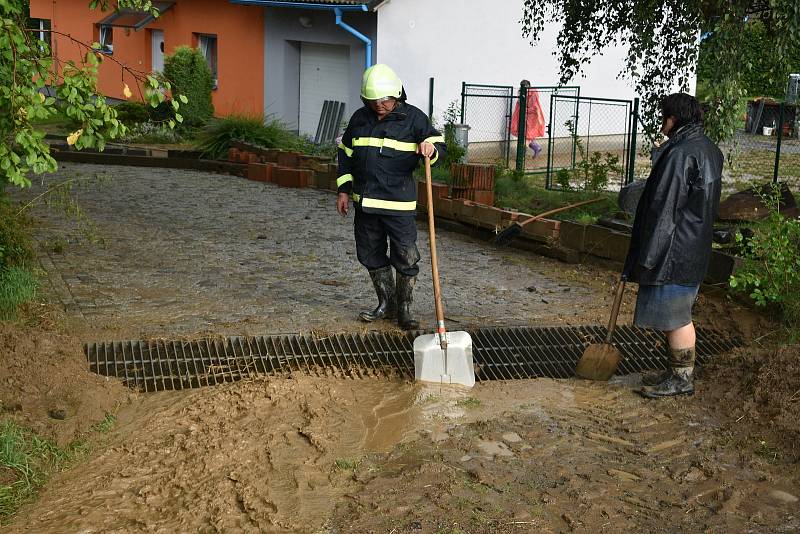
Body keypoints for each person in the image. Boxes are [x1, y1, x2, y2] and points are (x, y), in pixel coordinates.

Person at [622, 93, 723, 398]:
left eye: (664, 116)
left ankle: (682, 379)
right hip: (694, 243)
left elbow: (664, 207)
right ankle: (677, 372)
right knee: (677, 314)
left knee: (676, 317)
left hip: (675, 249)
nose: (662, 122)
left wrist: (646, 255)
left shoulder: (680, 153)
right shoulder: (707, 148)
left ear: (673, 119)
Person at [336, 64, 446, 331]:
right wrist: (343, 189)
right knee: (370, 254)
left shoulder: (414, 119)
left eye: (384, 100)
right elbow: (346, 154)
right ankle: (386, 304)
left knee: (406, 256)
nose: (379, 106)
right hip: (366, 204)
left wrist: (430, 148)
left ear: (396, 95)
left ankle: (405, 309)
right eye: (373, 100)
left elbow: (439, 145)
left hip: (399, 205)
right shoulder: (360, 119)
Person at [510, 79, 546, 158]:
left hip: (531, 117)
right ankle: (536, 148)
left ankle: (521, 156)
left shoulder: (533, 93)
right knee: (526, 136)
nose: (524, 87)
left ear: (529, 85)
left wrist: (524, 106)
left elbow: (532, 106)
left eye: (526, 85)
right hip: (524, 116)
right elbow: (520, 104)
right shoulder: (522, 93)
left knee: (526, 137)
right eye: (522, 86)